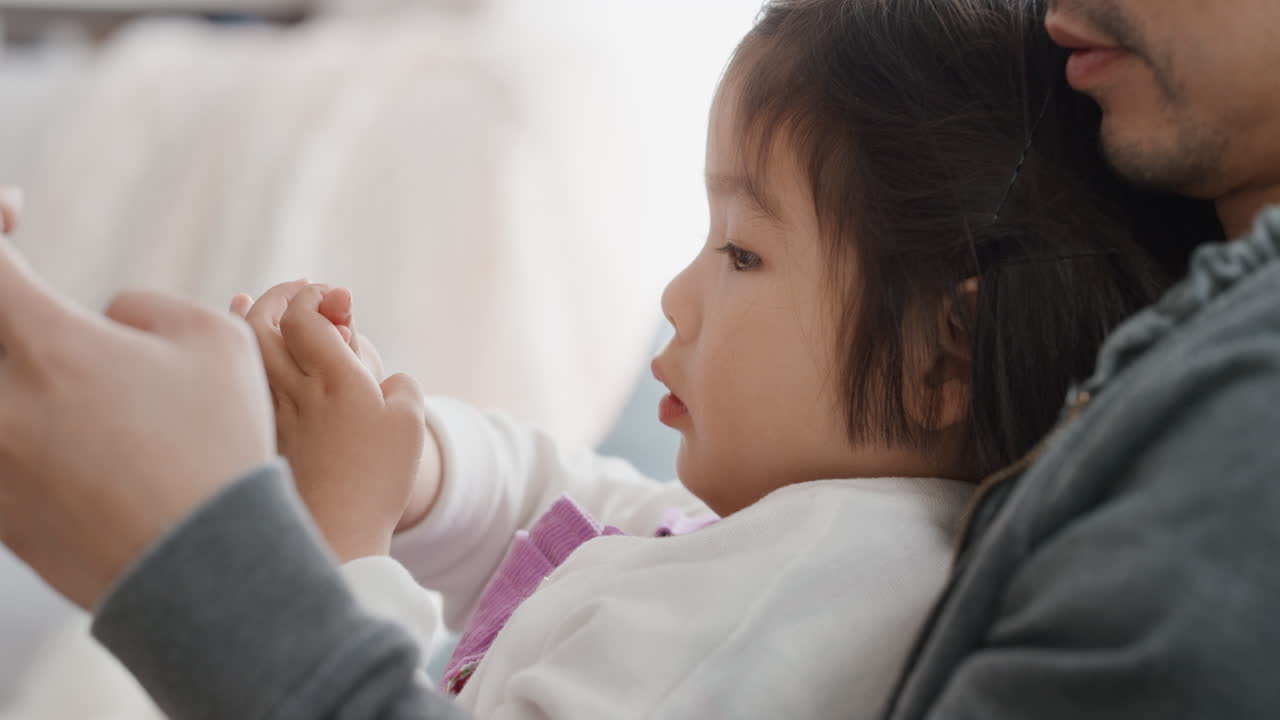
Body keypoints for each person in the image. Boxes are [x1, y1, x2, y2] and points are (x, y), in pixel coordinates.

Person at [0, 0, 1273, 718]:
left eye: (742, 255)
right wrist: (422, 467)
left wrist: (336, 543)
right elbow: (587, 517)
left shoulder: (834, 578)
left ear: (947, 356)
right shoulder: (781, 534)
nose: (677, 292)